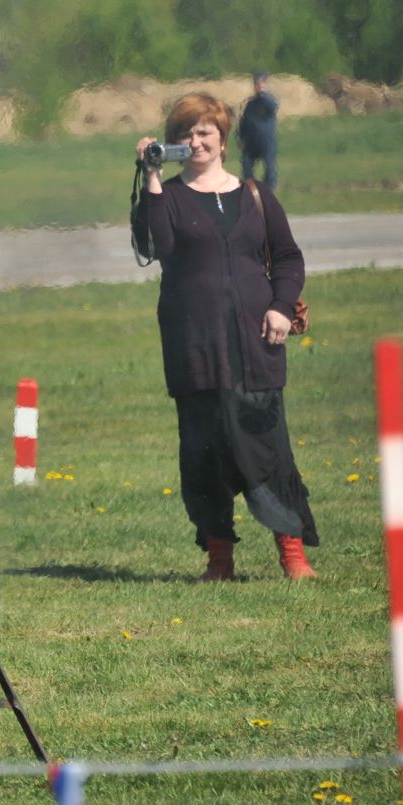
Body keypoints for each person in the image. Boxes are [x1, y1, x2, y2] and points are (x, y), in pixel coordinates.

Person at [132, 93, 314, 581]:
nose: (196, 142)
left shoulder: (256, 195)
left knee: (269, 448)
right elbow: (157, 247)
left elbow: (289, 257)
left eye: (204, 132)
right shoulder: (165, 196)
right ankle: (220, 560)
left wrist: (280, 306)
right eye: (185, 134)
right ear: (171, 143)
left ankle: (293, 555)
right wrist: (150, 178)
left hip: (257, 345)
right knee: (205, 451)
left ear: (222, 139)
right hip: (196, 349)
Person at [238, 69, 279, 189]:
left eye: (261, 83)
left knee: (270, 169)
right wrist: (241, 137)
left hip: (266, 141)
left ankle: (268, 192)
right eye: (256, 83)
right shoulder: (251, 103)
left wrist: (262, 94)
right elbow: (244, 121)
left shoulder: (269, 100)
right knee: (246, 166)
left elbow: (272, 107)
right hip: (251, 142)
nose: (258, 86)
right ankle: (250, 190)